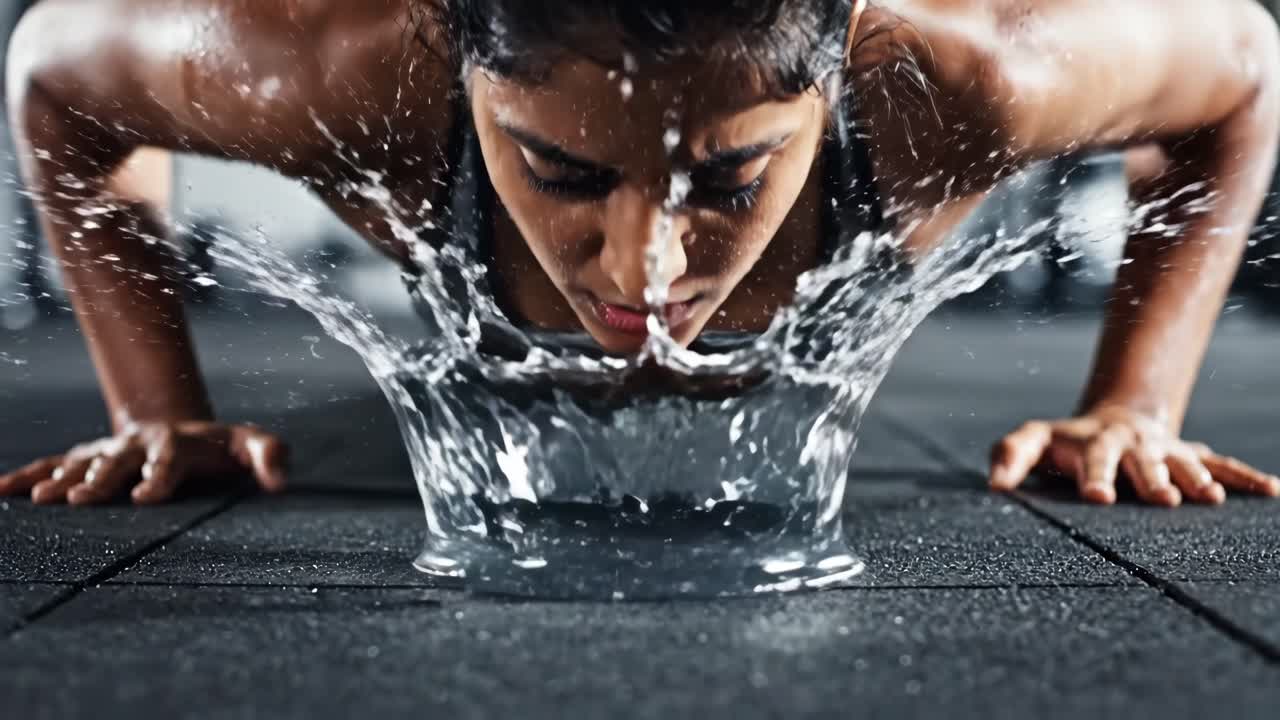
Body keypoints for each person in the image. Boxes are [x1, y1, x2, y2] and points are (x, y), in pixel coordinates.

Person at [2, 0, 1278, 509]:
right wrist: (154, 406)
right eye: (560, 170)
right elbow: (53, 77)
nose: (643, 266)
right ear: (453, 62)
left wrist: (1132, 400)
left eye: (729, 179)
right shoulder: (348, 78)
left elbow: (1243, 77)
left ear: (836, 80)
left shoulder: (963, 82)